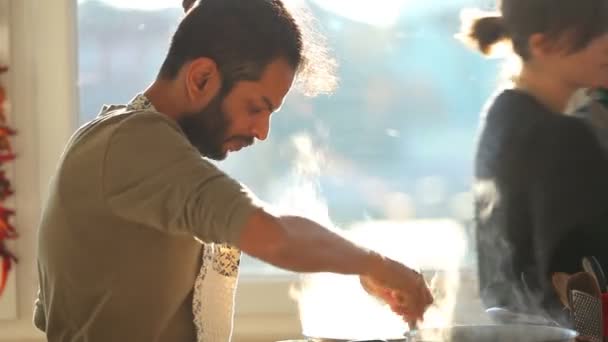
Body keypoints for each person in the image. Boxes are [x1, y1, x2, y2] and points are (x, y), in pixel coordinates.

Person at [33, 1, 433, 341]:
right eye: (256, 108)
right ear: (201, 77)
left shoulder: (147, 148)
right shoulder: (133, 143)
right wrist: (379, 266)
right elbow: (273, 235)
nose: (261, 131)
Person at [460, 0, 608, 325]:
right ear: (542, 45)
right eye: (597, 32)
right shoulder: (563, 135)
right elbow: (578, 270)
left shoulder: (501, 113)